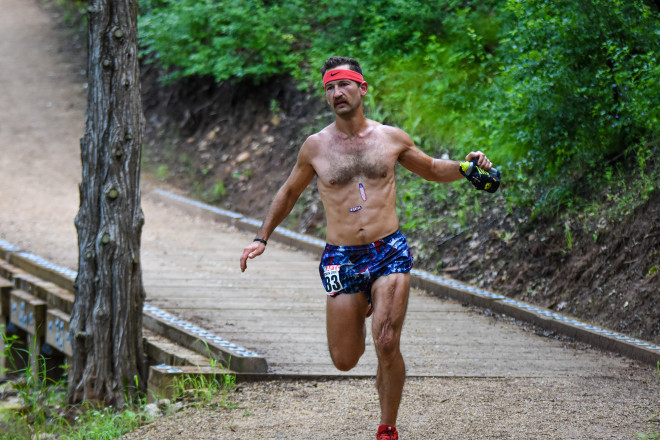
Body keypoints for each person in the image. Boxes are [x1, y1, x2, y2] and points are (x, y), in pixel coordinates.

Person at [240, 56, 493, 440]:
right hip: (342, 257)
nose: (337, 93)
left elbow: (429, 168)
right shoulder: (316, 147)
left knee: (387, 341)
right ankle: (362, 302)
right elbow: (289, 192)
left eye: (343, 85)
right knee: (344, 360)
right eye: (329, 87)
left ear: (362, 88)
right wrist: (262, 237)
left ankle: (387, 427)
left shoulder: (391, 138)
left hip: (388, 250)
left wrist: (465, 166)